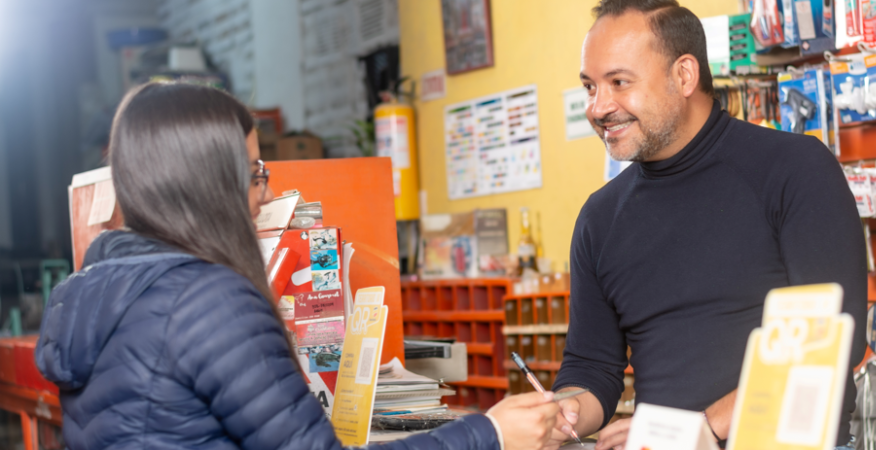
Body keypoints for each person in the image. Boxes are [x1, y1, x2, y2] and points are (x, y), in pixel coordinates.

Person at [34, 82, 560, 450]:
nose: (265, 194)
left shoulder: (87, 293)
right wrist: (491, 434)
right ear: (210, 184)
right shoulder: (208, 301)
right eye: (254, 174)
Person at [546, 2, 867, 450]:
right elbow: (592, 366)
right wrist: (560, 414)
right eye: (589, 87)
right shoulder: (599, 219)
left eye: (619, 82)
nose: (598, 108)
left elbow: (828, 344)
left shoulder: (794, 170)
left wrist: (702, 428)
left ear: (684, 75)